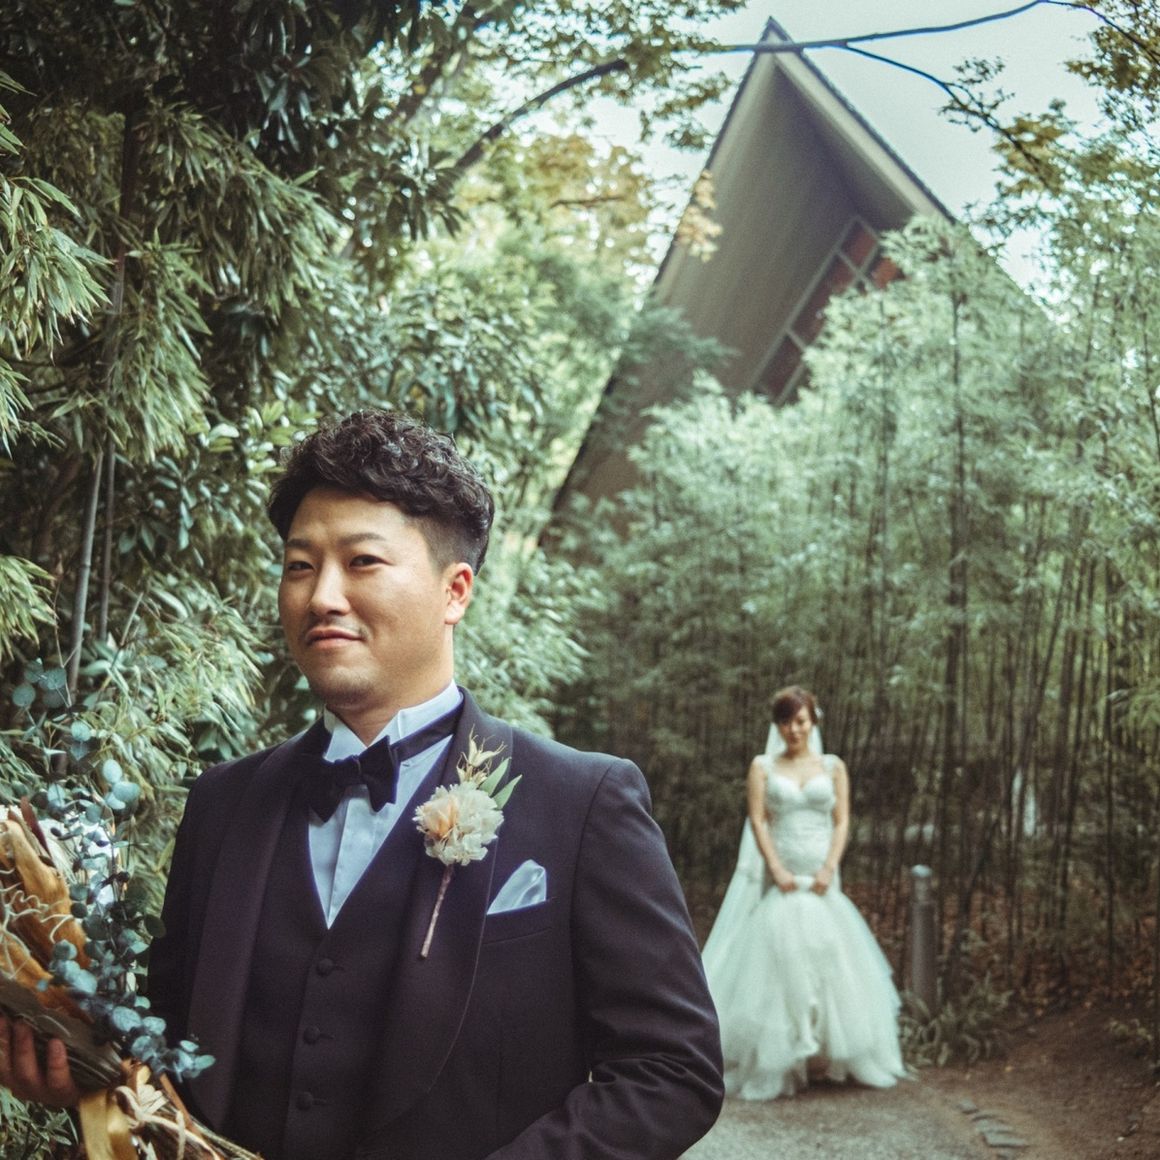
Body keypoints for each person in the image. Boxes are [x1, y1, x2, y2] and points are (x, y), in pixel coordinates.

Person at [0, 409, 724, 1159]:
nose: (322, 596)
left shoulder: (583, 802)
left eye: (363, 562)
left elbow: (673, 1071)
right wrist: (84, 1074)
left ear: (456, 591)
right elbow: (170, 1052)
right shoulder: (221, 804)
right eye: (299, 565)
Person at [701, 685, 905, 1100]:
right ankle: (784, 1055)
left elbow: (842, 820)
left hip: (821, 878)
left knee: (829, 959)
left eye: (800, 721)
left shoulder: (832, 767)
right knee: (782, 961)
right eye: (785, 722)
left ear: (813, 722)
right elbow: (758, 820)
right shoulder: (763, 767)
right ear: (776, 726)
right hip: (784, 878)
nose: (793, 730)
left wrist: (829, 866)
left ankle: (825, 1056)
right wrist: (776, 867)